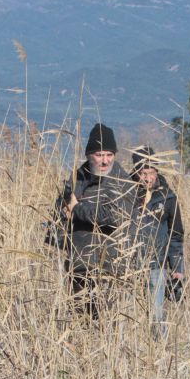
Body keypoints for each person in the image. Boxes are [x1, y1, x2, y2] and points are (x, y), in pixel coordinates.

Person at [57, 123, 138, 316]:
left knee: (107, 321)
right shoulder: (76, 180)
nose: (104, 161)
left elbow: (115, 216)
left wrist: (78, 209)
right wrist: (61, 244)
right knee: (80, 322)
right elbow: (60, 213)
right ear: (89, 155)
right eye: (99, 155)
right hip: (78, 264)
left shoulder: (123, 182)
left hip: (111, 266)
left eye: (109, 155)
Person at [129, 146, 184, 323]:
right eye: (143, 173)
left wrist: (177, 268)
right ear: (136, 171)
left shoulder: (167, 197)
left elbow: (175, 235)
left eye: (151, 172)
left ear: (157, 171)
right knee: (129, 314)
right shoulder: (125, 193)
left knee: (156, 314)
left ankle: (159, 346)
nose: (147, 178)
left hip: (156, 265)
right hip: (128, 265)